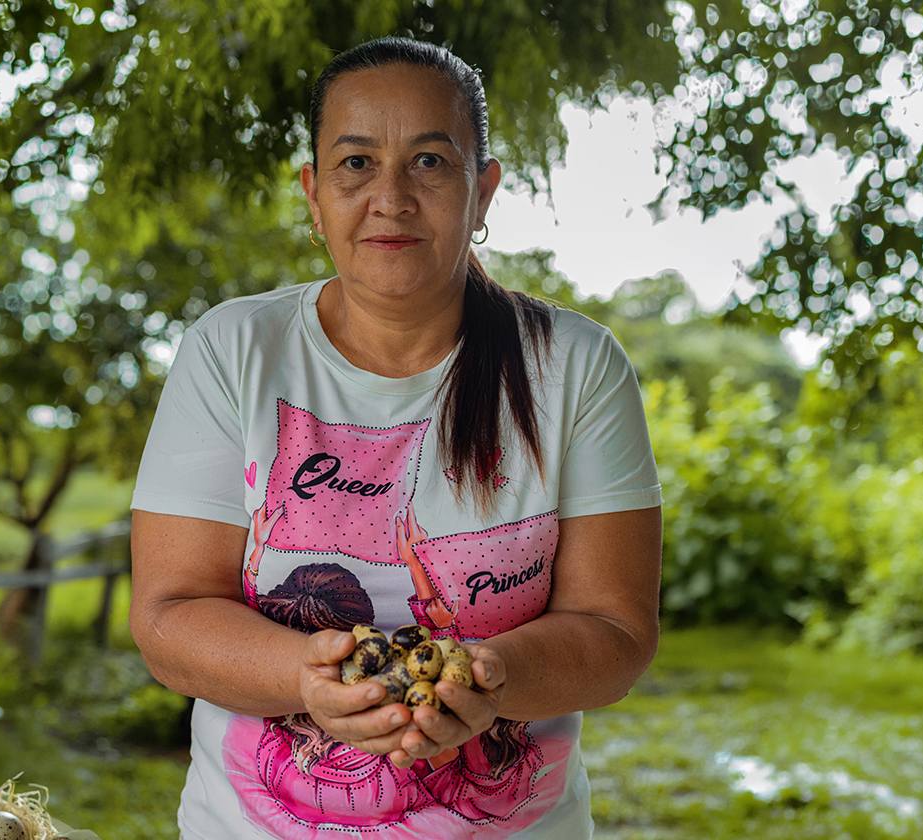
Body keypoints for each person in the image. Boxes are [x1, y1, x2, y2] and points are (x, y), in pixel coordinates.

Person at [128, 36, 663, 839]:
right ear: (313, 194)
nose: (391, 196)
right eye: (354, 164)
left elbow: (616, 633)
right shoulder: (233, 349)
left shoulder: (575, 367)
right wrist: (304, 678)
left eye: (430, 163)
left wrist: (491, 678)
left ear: (482, 193)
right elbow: (168, 616)